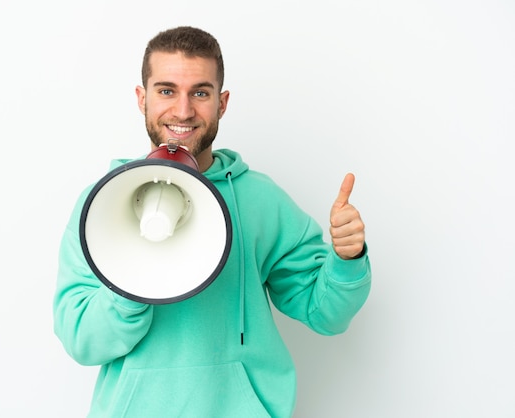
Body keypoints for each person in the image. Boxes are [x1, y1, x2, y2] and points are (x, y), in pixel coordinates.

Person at [54, 26, 371, 418]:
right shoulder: (99, 207)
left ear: (222, 103)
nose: (183, 110)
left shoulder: (260, 199)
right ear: (142, 99)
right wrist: (128, 277)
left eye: (200, 93)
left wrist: (347, 258)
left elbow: (326, 314)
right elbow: (82, 341)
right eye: (166, 90)